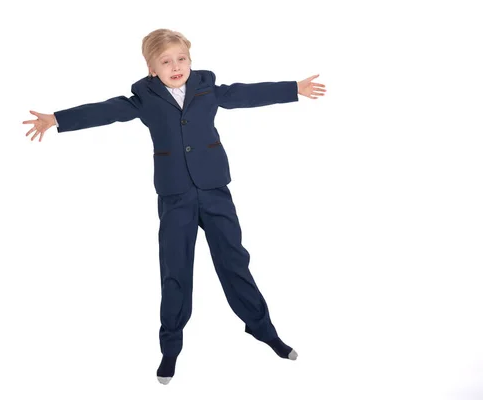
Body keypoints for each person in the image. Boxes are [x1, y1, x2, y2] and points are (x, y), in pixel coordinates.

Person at [22, 28, 326, 385]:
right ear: (152, 68)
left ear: (190, 60)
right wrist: (57, 119)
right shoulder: (145, 98)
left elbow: (244, 94)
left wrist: (294, 88)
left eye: (181, 58)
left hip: (214, 190)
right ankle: (171, 347)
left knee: (234, 261)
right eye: (166, 61)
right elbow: (106, 111)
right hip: (175, 196)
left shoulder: (206, 88)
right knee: (175, 270)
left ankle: (262, 328)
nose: (175, 65)